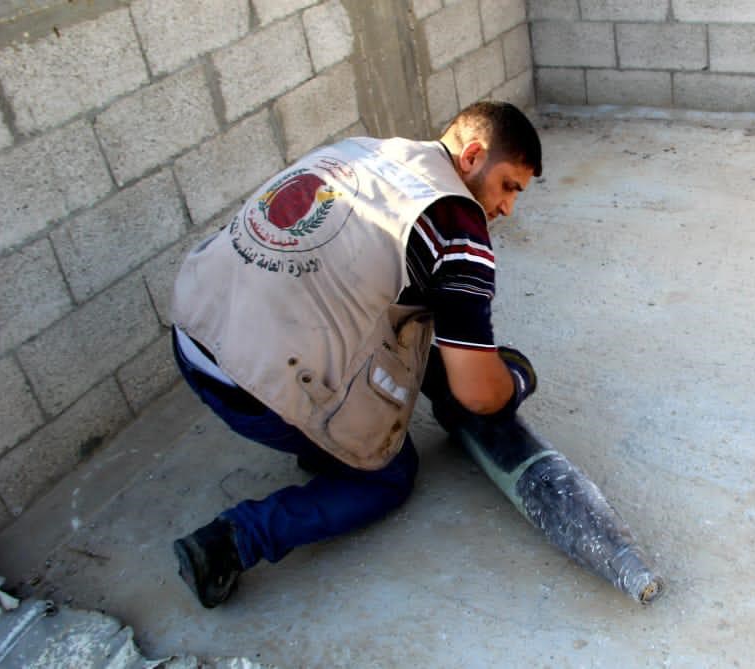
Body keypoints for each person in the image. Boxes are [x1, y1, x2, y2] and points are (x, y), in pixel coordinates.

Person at [169, 101, 542, 608]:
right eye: (508, 186)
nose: (507, 208)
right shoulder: (456, 228)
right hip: (247, 387)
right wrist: (513, 383)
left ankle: (317, 445)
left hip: (192, 331)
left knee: (404, 334)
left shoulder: (361, 150)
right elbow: (479, 395)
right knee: (388, 477)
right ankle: (234, 540)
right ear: (473, 156)